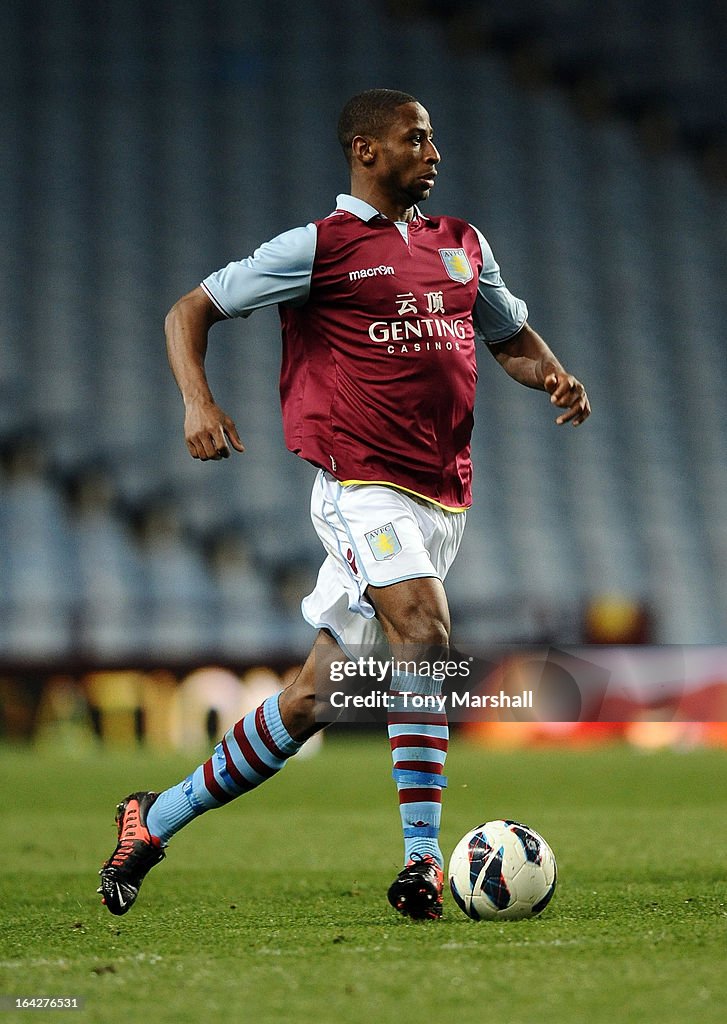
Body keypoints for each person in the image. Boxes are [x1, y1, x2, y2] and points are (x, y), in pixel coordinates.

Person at [98, 88, 590, 921]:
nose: (434, 153)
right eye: (417, 138)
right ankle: (423, 863)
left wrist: (552, 373)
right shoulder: (316, 248)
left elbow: (507, 339)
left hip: (441, 498)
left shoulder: (462, 245)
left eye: (434, 139)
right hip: (360, 485)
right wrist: (197, 402)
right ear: (366, 150)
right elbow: (191, 310)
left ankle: (154, 819)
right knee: (424, 630)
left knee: (313, 699)